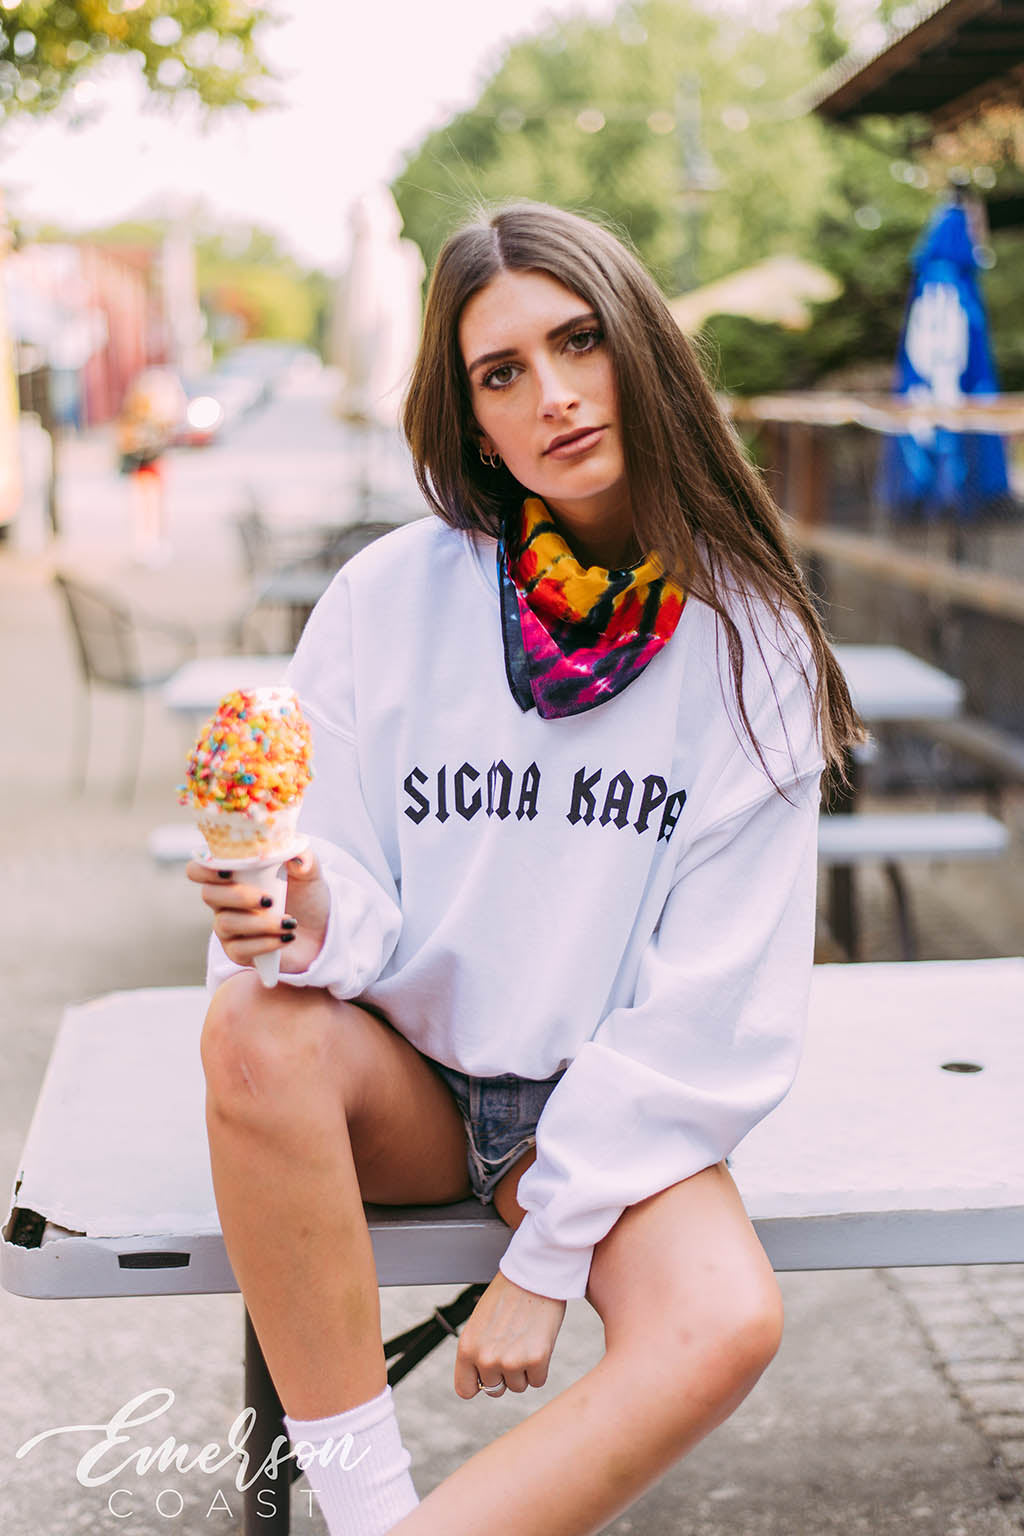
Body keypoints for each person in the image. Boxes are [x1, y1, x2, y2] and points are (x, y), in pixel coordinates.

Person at [187, 201, 864, 1536]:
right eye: (501, 373)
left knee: (723, 1319)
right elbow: (343, 876)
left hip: (597, 1096)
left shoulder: (752, 644)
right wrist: (301, 905)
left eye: (579, 341)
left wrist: (546, 1257)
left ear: (642, 350)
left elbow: (708, 1008)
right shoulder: (389, 598)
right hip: (407, 1083)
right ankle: (366, 1507)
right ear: (472, 420)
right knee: (252, 1026)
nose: (551, 394)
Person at [116, 366, 186, 563]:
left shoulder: (144, 417)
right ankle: (147, 542)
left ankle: (147, 542)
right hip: (145, 464)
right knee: (148, 505)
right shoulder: (143, 418)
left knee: (147, 505)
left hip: (147, 464)